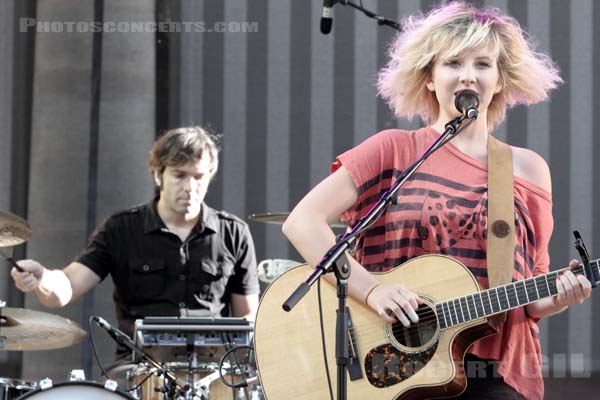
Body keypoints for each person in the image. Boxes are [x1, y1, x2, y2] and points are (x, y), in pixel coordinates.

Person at [282, 2, 591, 400]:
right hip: (391, 365)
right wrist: (373, 290)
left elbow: (532, 292)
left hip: (491, 371)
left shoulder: (526, 170)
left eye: (482, 64)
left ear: (499, 79)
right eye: (453, 63)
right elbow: (302, 222)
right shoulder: (393, 150)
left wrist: (561, 297)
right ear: (429, 78)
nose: (468, 75)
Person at [11, 126, 260, 360]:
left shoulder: (233, 233)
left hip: (213, 372)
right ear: (157, 174)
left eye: (198, 177)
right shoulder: (121, 228)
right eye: (180, 175)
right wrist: (42, 277)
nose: (190, 187)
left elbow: (248, 315)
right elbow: (66, 288)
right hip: (138, 369)